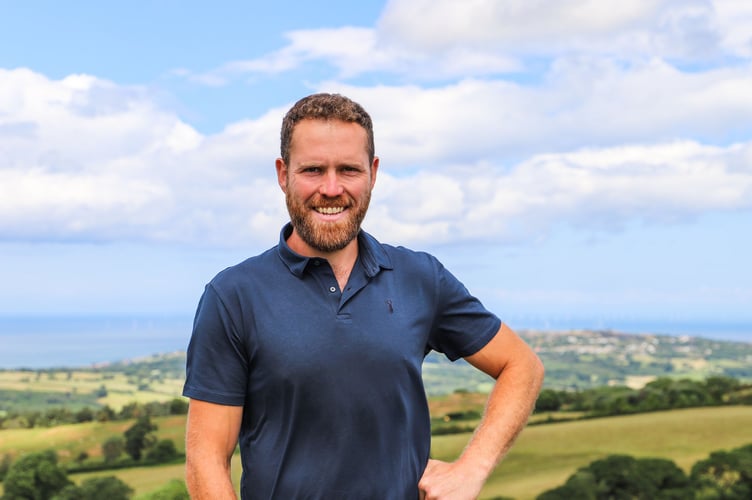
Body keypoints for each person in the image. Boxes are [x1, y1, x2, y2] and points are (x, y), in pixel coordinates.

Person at [183, 93, 545, 500]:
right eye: (314, 170)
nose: (332, 188)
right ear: (283, 174)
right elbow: (206, 459)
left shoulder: (420, 277)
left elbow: (521, 365)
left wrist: (472, 469)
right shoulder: (233, 295)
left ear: (373, 173)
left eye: (348, 170)